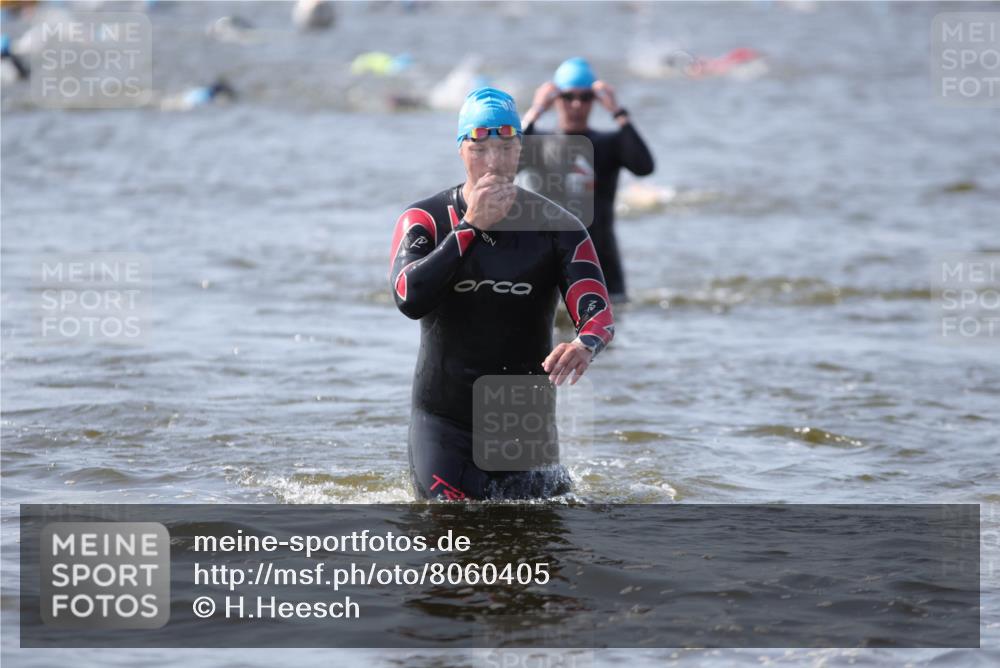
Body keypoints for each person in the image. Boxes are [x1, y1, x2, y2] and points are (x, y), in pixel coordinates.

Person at [389, 87, 615, 501]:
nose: (493, 161)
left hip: (524, 427)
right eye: (480, 147)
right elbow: (409, 296)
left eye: (506, 147)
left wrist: (586, 343)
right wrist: (471, 227)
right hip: (444, 423)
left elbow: (598, 312)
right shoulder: (424, 219)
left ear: (520, 151)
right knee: (449, 532)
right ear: (461, 149)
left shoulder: (558, 228)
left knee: (538, 554)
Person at [520, 57, 654, 303]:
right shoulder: (538, 143)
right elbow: (506, 163)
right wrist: (535, 110)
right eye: (569, 97)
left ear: (595, 101)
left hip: (600, 256)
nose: (577, 105)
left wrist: (618, 111)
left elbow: (644, 166)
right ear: (556, 99)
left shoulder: (608, 144)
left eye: (585, 97)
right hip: (550, 257)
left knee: (610, 332)